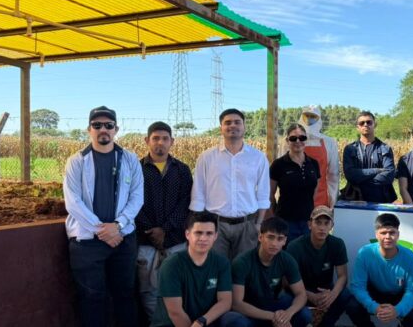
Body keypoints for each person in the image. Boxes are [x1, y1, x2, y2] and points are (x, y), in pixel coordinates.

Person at [63, 106, 144, 326]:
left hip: (122, 239)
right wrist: (103, 230)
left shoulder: (129, 160)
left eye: (108, 125)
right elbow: (73, 202)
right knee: (92, 298)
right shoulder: (77, 161)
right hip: (87, 243)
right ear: (89, 129)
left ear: (116, 129)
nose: (103, 130)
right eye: (97, 125)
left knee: (125, 295)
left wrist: (118, 226)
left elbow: (137, 197)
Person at [191, 108, 270, 260]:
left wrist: (258, 224)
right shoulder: (206, 157)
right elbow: (198, 192)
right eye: (227, 123)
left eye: (237, 122)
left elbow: (263, 193)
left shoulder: (258, 158)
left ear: (244, 127)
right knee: (215, 269)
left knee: (243, 271)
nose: (232, 126)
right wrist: (200, 225)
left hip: (247, 225)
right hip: (215, 225)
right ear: (221, 128)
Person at [136, 121, 194, 317]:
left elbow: (186, 201)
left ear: (172, 142)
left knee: (176, 286)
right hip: (145, 239)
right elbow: (133, 203)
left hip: (175, 239)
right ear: (147, 141)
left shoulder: (182, 170)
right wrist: (152, 230)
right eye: (155, 138)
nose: (160, 142)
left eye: (165, 138)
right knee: (148, 289)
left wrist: (166, 229)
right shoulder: (136, 168)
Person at [150, 212, 243, 327]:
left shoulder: (222, 263)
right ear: (187, 234)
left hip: (204, 323)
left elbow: (225, 302)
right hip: (174, 324)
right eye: (198, 233)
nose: (203, 238)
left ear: (215, 236)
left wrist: (202, 321)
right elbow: (175, 313)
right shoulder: (171, 264)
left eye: (209, 233)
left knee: (235, 319)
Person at [227, 217, 312, 327]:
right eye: (270, 237)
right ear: (260, 237)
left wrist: (287, 314)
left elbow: (301, 294)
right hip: (249, 311)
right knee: (235, 321)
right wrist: (273, 316)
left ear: (285, 241)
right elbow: (237, 304)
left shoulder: (287, 260)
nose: (274, 243)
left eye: (280, 239)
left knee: (305, 314)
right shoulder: (242, 262)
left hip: (273, 304)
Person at [348, 213, 413, 326]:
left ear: (398, 234)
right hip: (374, 292)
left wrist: (397, 310)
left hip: (399, 295)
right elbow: (357, 286)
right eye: (383, 233)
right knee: (352, 305)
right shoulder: (364, 253)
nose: (387, 237)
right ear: (376, 235)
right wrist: (374, 307)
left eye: (392, 232)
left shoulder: (410, 257)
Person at [285, 206, 352, 327]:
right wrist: (310, 295)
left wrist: (332, 295)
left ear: (332, 226)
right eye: (318, 222)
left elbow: (343, 276)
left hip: (325, 289)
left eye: (326, 223)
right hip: (300, 289)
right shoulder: (295, 246)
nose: (322, 228)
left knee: (346, 295)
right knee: (301, 312)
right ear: (309, 225)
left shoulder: (337, 244)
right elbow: (286, 281)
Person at [269, 123, 320, 241]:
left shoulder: (313, 164)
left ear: (306, 140)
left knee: (305, 256)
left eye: (302, 138)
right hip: (286, 221)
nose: (298, 141)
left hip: (308, 222)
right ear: (287, 140)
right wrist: (275, 217)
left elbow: (314, 192)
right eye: (293, 138)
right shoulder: (278, 165)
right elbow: (270, 194)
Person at [342, 111, 398, 203]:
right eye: (362, 123)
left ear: (374, 124)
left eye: (369, 122)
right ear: (358, 127)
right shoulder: (350, 149)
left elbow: (389, 176)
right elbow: (350, 175)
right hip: (356, 199)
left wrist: (360, 180)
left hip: (381, 199)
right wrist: (376, 170)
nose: (365, 125)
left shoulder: (385, 148)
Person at [297, 105, 340, 208]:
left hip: (320, 200)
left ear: (319, 119)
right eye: (306, 116)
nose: (309, 119)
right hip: (294, 200)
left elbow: (333, 175)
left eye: (313, 116)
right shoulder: (290, 141)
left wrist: (333, 202)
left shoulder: (329, 142)